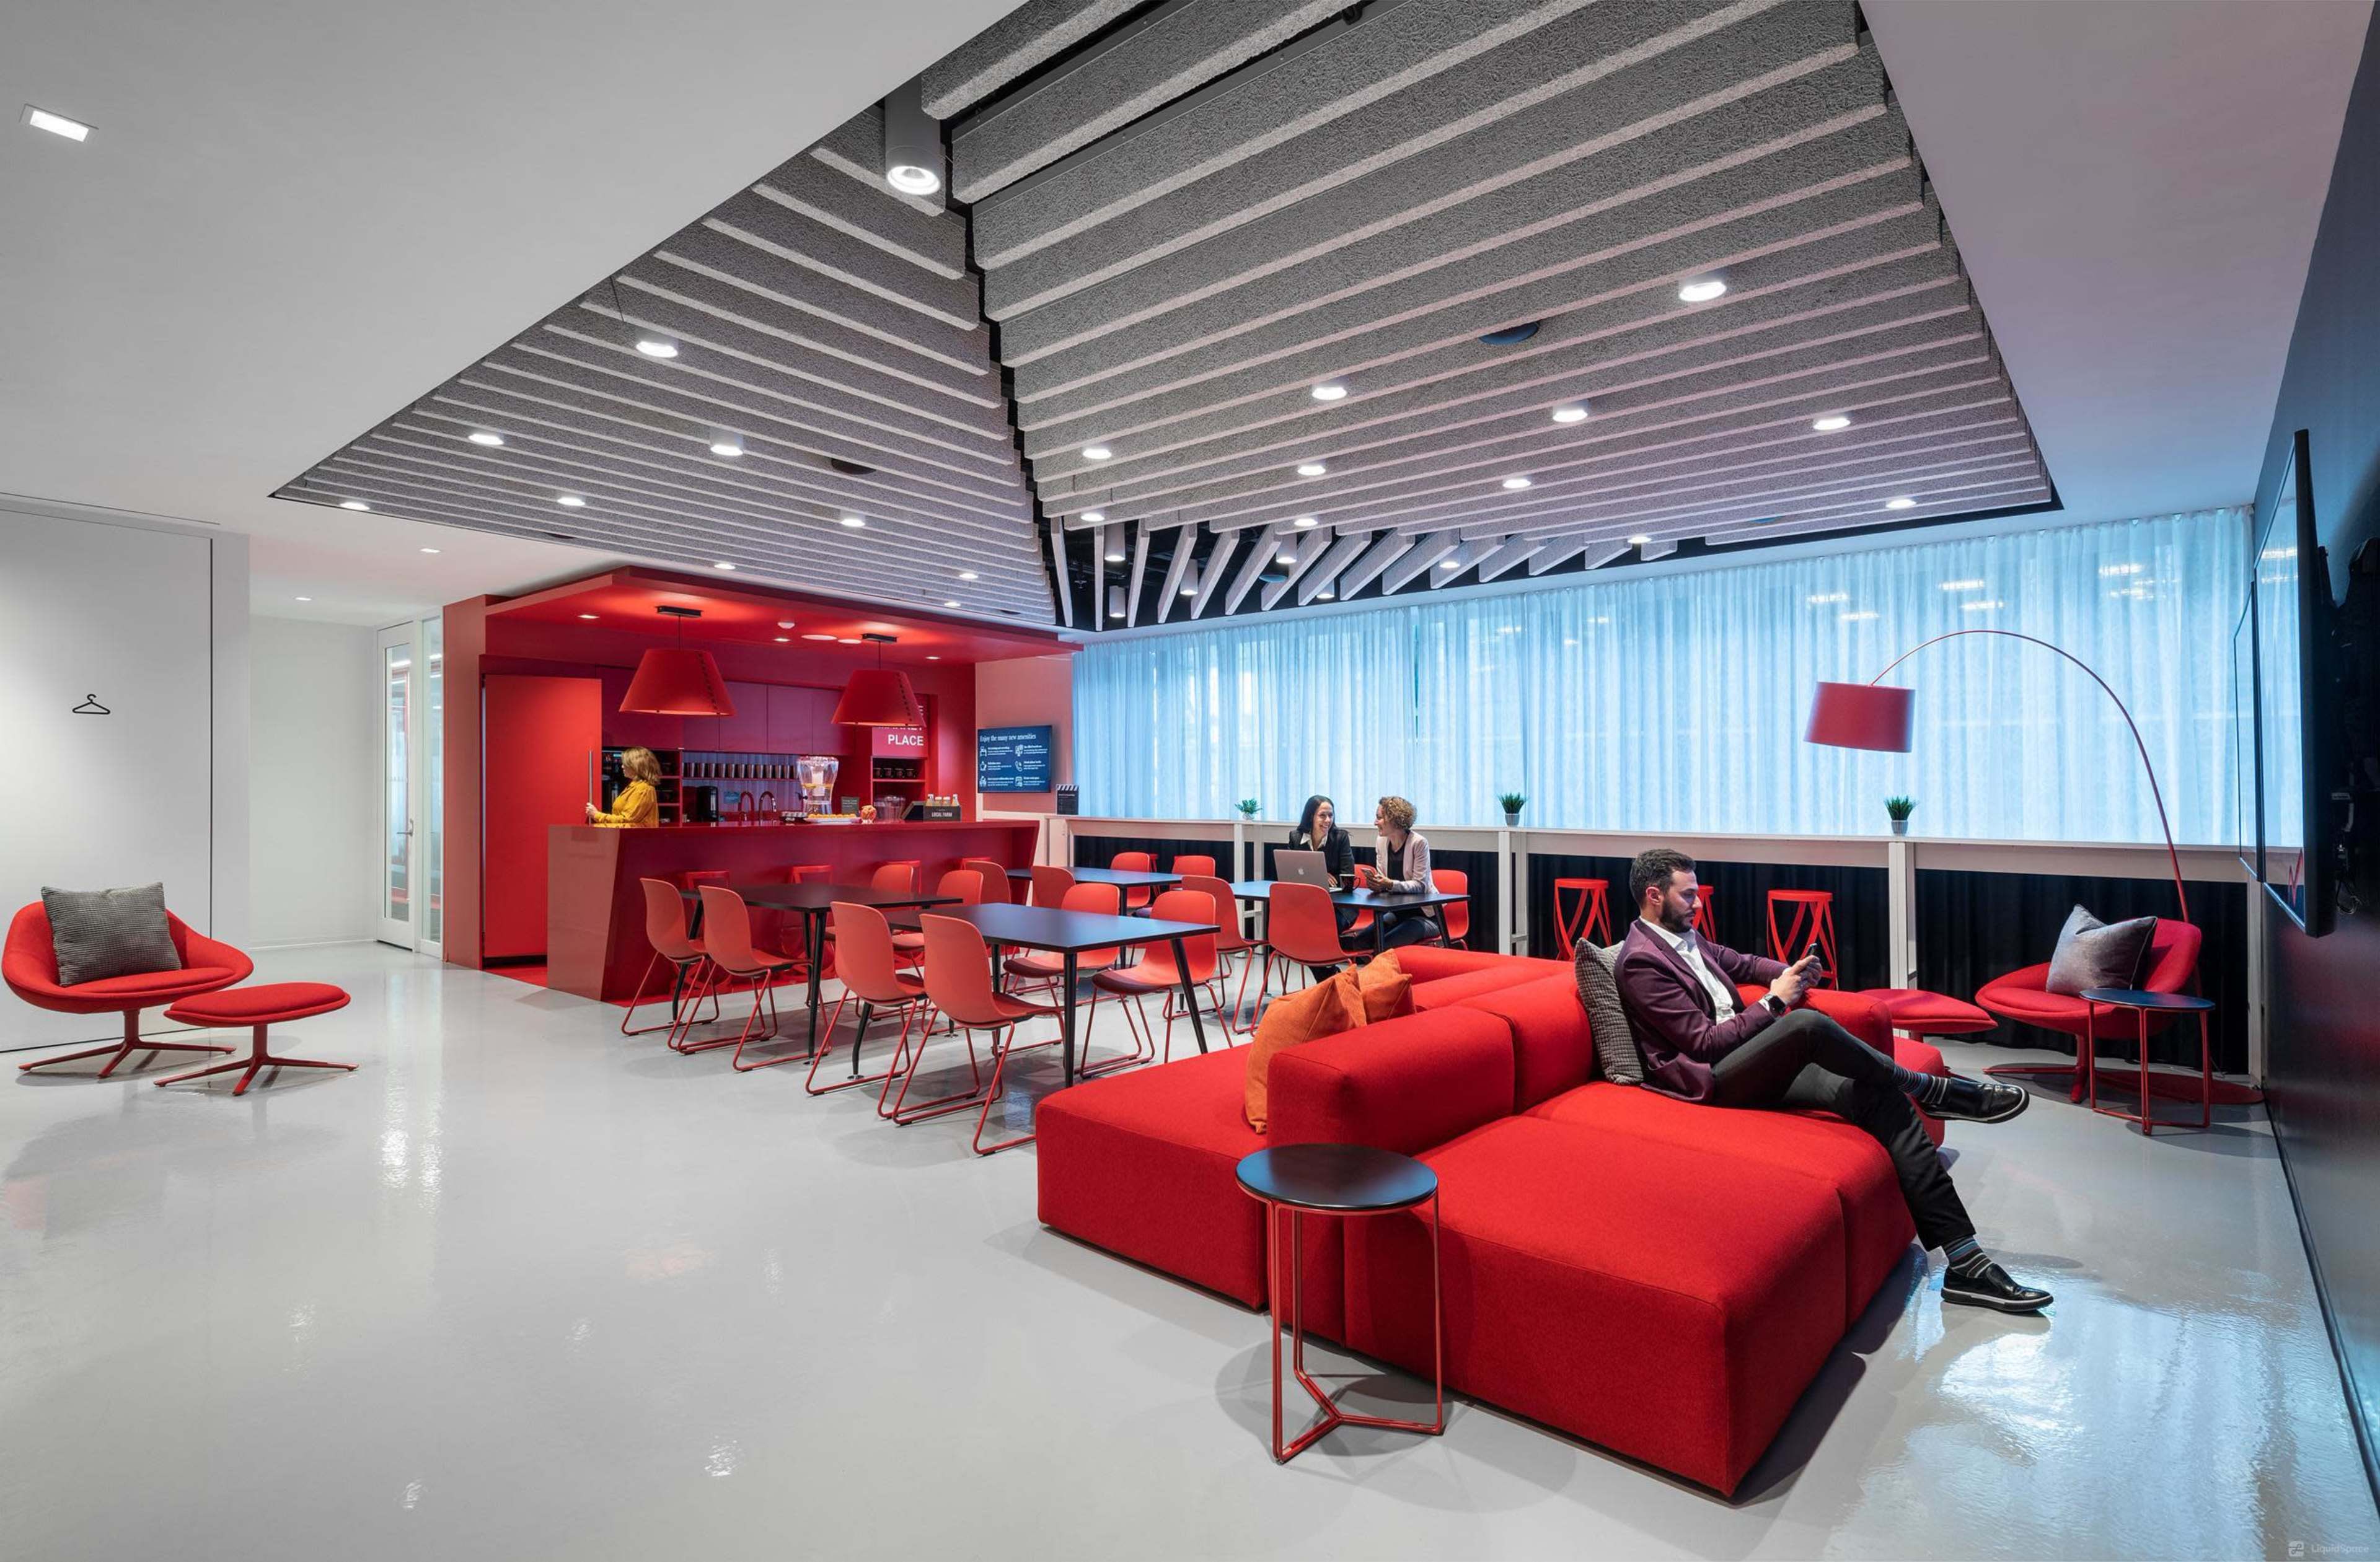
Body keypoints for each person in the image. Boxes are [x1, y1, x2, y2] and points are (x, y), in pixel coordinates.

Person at [1613, 847, 2052, 1314]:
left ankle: (1966, 1263)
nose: (1698, 903)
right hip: (1712, 1080)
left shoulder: (1685, 937)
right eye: (1688, 895)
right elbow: (1704, 1045)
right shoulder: (1641, 962)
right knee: (1806, 1025)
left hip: (1749, 1058)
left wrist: (1789, 973)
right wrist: (1776, 1001)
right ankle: (1929, 1088)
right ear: (1654, 895)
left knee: (1883, 1099)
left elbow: (1740, 962)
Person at [1355, 795, 1440, 950]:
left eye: (1379, 818)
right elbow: (1384, 881)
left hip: (1425, 917)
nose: (1375, 823)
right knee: (1361, 942)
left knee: (1385, 946)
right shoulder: (1381, 841)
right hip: (1397, 914)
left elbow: (1420, 886)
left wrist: (1390, 884)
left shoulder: (1419, 843)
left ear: (1394, 820)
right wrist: (1377, 884)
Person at [588, 747, 661, 827]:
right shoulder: (635, 786)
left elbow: (626, 820)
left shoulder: (643, 789)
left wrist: (597, 815)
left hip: (634, 835)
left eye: (626, 764)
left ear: (636, 766)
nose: (622, 766)